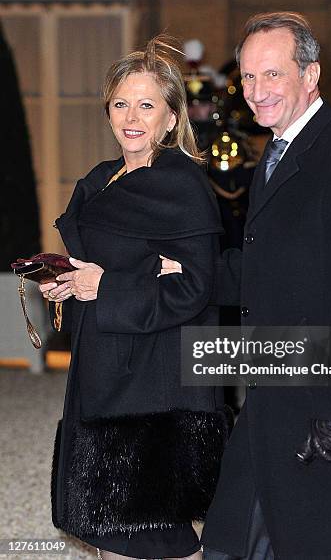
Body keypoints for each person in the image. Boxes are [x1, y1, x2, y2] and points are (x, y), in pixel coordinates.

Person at [161, 13, 331, 558]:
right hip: (275, 386)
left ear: (311, 75)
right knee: (233, 540)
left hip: (327, 406)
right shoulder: (277, 157)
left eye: (273, 75)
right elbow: (263, 269)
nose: (257, 92)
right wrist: (178, 274)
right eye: (249, 78)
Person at [39, 36, 230, 560]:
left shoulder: (182, 186)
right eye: (121, 103)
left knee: (147, 533)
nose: (131, 116)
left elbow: (196, 286)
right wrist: (68, 283)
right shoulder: (101, 179)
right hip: (103, 367)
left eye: (147, 104)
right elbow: (99, 267)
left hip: (154, 379)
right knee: (106, 529)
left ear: (171, 118)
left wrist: (109, 285)